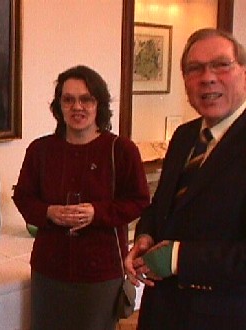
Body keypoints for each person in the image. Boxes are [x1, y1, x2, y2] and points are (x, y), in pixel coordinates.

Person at [124, 28, 246, 330]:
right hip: (160, 313)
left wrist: (178, 257)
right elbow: (161, 207)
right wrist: (145, 237)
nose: (207, 77)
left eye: (221, 64)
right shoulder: (183, 137)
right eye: (195, 68)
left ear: (243, 72)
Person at [12, 65, 150, 330]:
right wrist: (48, 212)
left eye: (86, 99)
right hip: (50, 269)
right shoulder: (41, 150)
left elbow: (139, 200)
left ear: (99, 104)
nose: (78, 107)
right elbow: (24, 197)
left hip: (100, 272)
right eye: (69, 99)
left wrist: (96, 214)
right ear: (59, 106)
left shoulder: (120, 150)